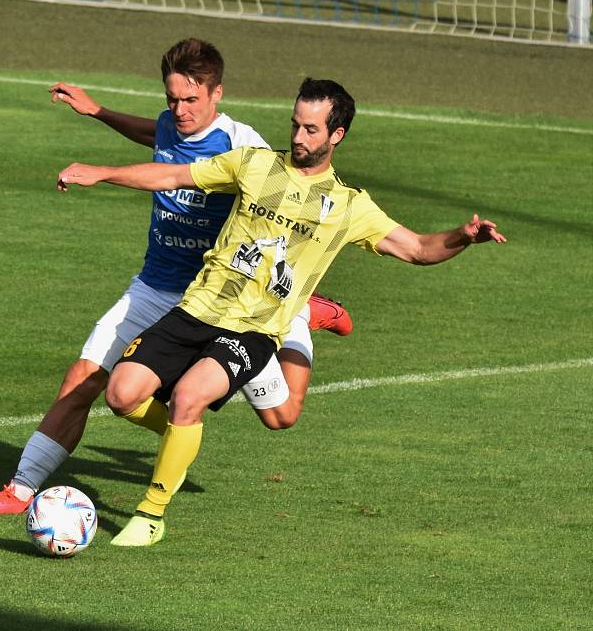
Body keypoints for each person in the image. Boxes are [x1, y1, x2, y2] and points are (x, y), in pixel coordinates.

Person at [55, 77, 507, 546]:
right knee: (121, 394)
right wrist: (101, 172)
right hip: (197, 308)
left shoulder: (349, 206)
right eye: (295, 125)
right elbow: (172, 176)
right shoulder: (254, 164)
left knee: (192, 397)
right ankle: (181, 437)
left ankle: (151, 516)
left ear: (337, 135)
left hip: (254, 328)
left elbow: (415, 248)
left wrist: (461, 237)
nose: (297, 137)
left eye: (311, 130)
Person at [0, 39, 350, 517]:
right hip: (155, 286)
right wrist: (98, 112)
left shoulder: (243, 144)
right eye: (172, 99)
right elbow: (159, 137)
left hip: (229, 304)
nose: (180, 110)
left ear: (217, 93)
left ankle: (304, 309)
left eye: (191, 100)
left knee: (281, 416)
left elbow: (292, 198)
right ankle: (20, 490)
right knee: (84, 378)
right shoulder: (170, 124)